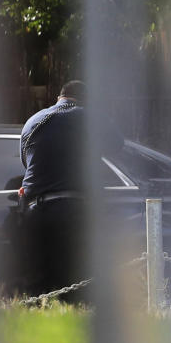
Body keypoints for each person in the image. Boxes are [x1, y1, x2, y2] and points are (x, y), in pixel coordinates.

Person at [19, 80, 123, 298]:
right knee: (77, 282)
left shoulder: (32, 121)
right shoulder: (89, 118)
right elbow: (117, 144)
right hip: (76, 210)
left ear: (59, 97)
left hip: (35, 212)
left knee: (38, 284)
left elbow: (26, 163)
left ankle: (39, 324)